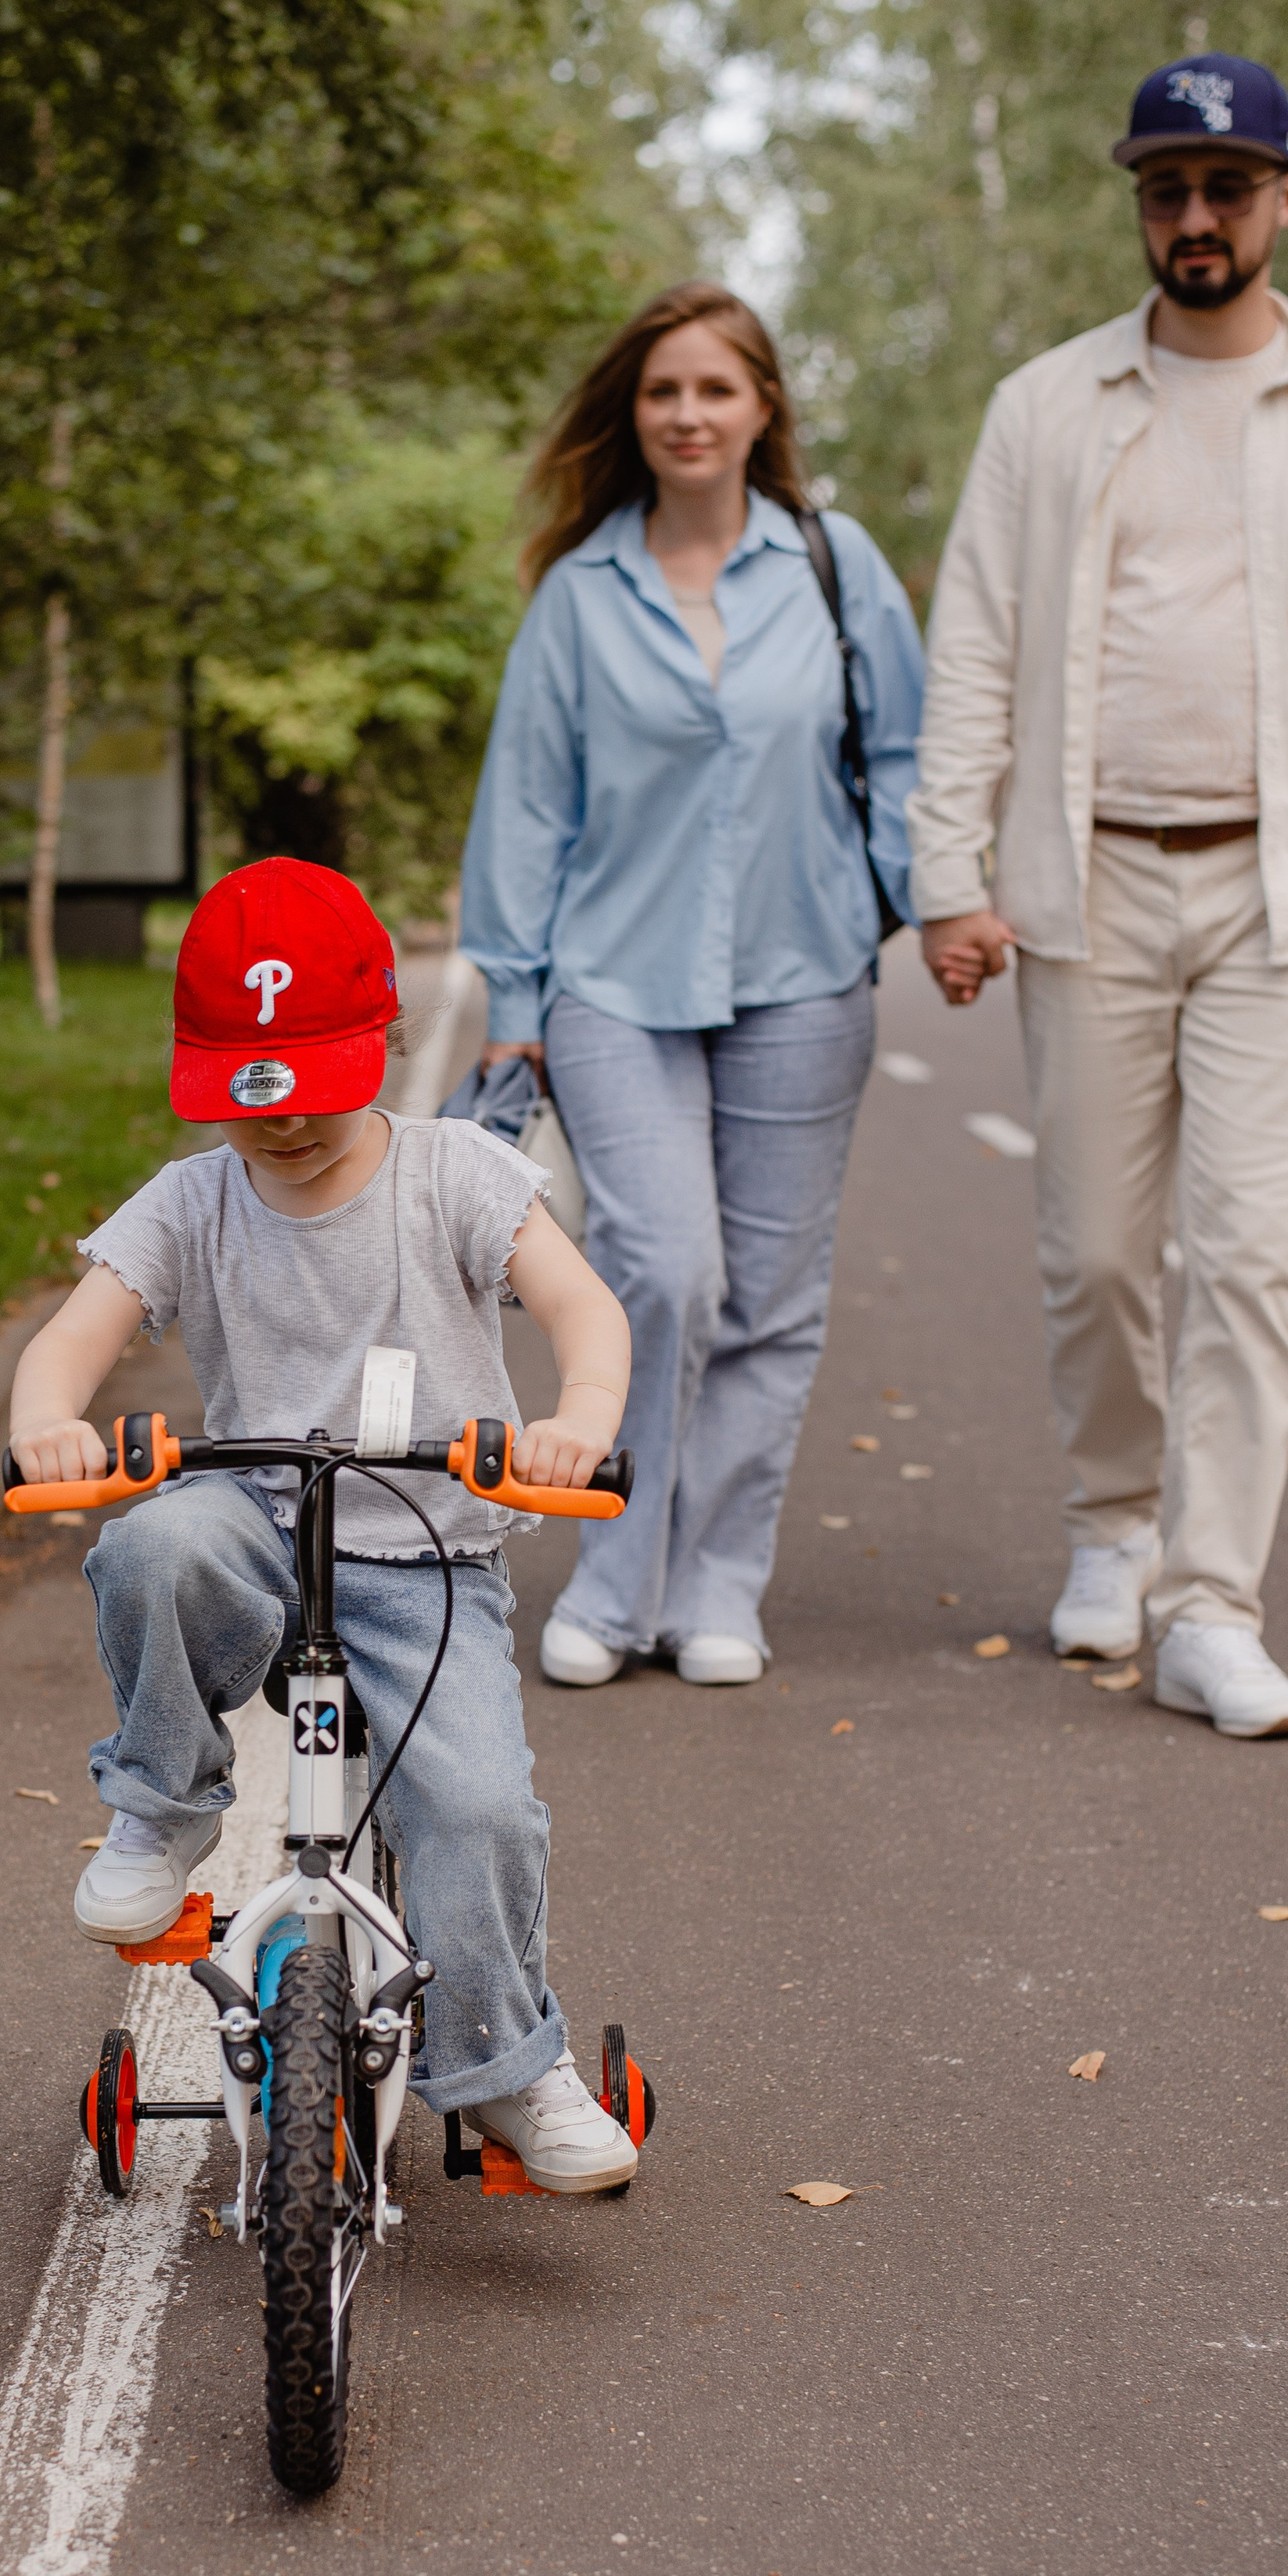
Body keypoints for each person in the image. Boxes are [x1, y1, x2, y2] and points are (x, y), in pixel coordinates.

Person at [6, 856, 641, 2193]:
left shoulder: (458, 1175)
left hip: (428, 1561)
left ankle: (508, 2068)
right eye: (254, 1098)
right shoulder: (193, 1199)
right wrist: (50, 1418)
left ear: (386, 1042)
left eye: (313, 1087)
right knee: (151, 1542)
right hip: (257, 1524)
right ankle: (162, 1808)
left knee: (477, 1810)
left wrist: (577, 1417)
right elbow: (68, 1342)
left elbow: (585, 1309)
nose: (286, 1123)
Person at [911, 53, 1288, 1740]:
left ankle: (1210, 1607)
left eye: (1226, 187)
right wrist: (948, 877)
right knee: (1100, 1256)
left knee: (1256, 1265)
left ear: (1285, 198)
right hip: (1088, 885)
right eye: (1166, 188)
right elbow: (974, 647)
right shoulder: (1044, 407)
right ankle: (1113, 1522)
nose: (1195, 216)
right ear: (1140, 203)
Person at [458, 281, 924, 1689]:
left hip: (805, 977)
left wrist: (897, 896)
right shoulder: (580, 593)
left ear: (763, 405)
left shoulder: (835, 563)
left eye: (716, 388)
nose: (688, 414)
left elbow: (907, 749)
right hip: (614, 979)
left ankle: (719, 1585)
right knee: (661, 1269)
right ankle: (615, 1584)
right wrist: (515, 1006)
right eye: (664, 390)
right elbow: (526, 806)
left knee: (770, 1299)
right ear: (635, 412)